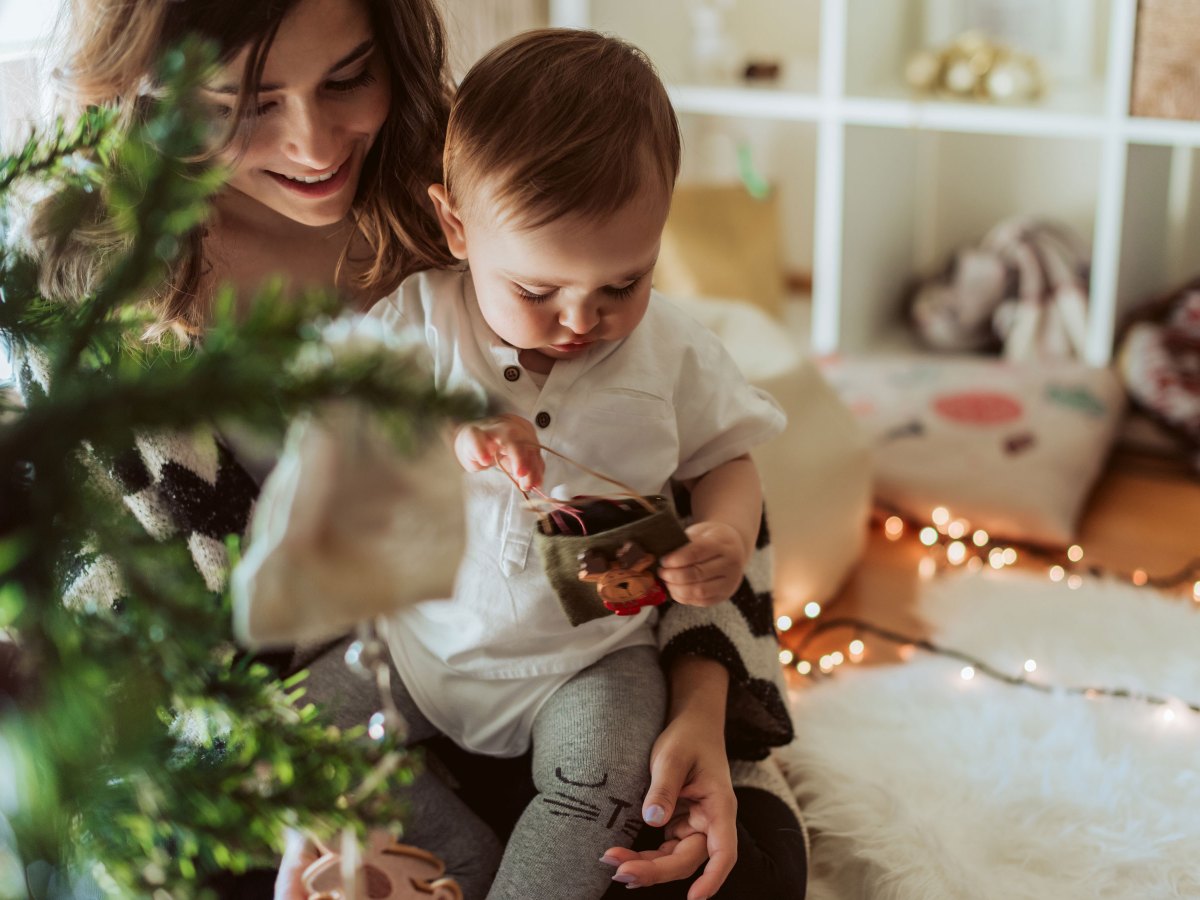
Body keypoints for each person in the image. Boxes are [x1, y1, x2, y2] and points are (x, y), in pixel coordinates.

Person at [20, 2, 807, 898]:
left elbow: (700, 477)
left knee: (729, 865)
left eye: (349, 78)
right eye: (240, 103)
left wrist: (698, 711)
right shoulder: (78, 292)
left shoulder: (486, 165)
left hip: (589, 675)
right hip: (339, 727)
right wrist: (318, 818)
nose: (316, 146)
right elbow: (103, 642)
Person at [309, 27, 784, 900]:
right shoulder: (420, 323)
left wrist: (724, 530)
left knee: (611, 780)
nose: (581, 319)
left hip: (591, 661)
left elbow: (730, 460)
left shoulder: (674, 352)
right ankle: (464, 865)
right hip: (419, 648)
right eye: (538, 292)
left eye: (622, 285)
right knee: (284, 743)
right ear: (456, 226)